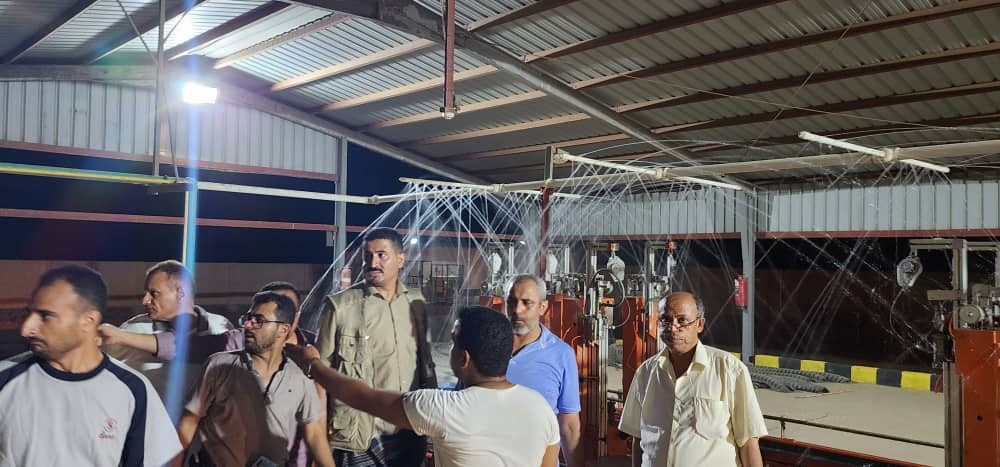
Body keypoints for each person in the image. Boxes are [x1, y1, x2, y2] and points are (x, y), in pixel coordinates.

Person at [287, 306, 560, 467]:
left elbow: (364, 398)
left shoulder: (443, 408)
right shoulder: (541, 409)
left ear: (464, 358)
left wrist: (313, 364)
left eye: (453, 342)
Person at [0, 265, 181, 466]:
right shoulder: (5, 378)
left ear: (88, 320)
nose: (27, 329)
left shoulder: (133, 390)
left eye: (46, 316)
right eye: (29, 314)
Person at [315, 227, 437, 466]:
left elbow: (427, 365)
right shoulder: (340, 307)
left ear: (400, 260)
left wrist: (432, 423)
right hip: (361, 435)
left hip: (410, 429)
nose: (373, 263)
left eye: (382, 255)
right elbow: (319, 375)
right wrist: (319, 437)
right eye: (367, 255)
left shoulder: (416, 302)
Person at [177, 292, 335, 467]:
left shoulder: (299, 375)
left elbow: (315, 434)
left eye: (259, 320)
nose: (248, 325)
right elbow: (188, 422)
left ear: (283, 330)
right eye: (248, 318)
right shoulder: (219, 366)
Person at [619, 292, 767, 467]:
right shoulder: (646, 372)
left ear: (700, 324)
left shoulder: (729, 369)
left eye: (682, 320)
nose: (673, 328)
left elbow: (748, 443)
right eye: (666, 320)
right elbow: (639, 439)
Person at [104, 260, 233, 399]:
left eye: (154, 293)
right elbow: (101, 371)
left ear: (180, 293)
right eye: (146, 293)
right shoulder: (133, 329)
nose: (145, 300)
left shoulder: (220, 326)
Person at [504, 274, 582, 466]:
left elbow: (569, 426)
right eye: (512, 302)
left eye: (526, 303)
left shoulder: (561, 355)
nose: (517, 310)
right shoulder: (484, 347)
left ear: (543, 307)